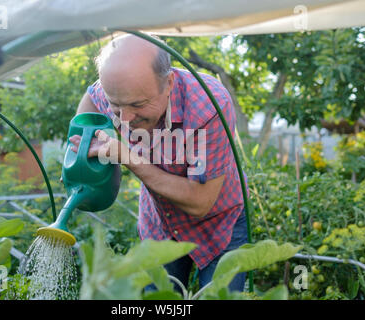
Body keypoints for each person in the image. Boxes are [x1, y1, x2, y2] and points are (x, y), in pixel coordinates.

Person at [69, 34, 249, 293]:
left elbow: (201, 202)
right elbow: (90, 103)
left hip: (220, 225)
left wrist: (128, 158)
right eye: (115, 106)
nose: (126, 119)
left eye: (138, 105)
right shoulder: (118, 89)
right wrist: (80, 164)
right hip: (160, 223)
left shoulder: (210, 106)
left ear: (169, 83)